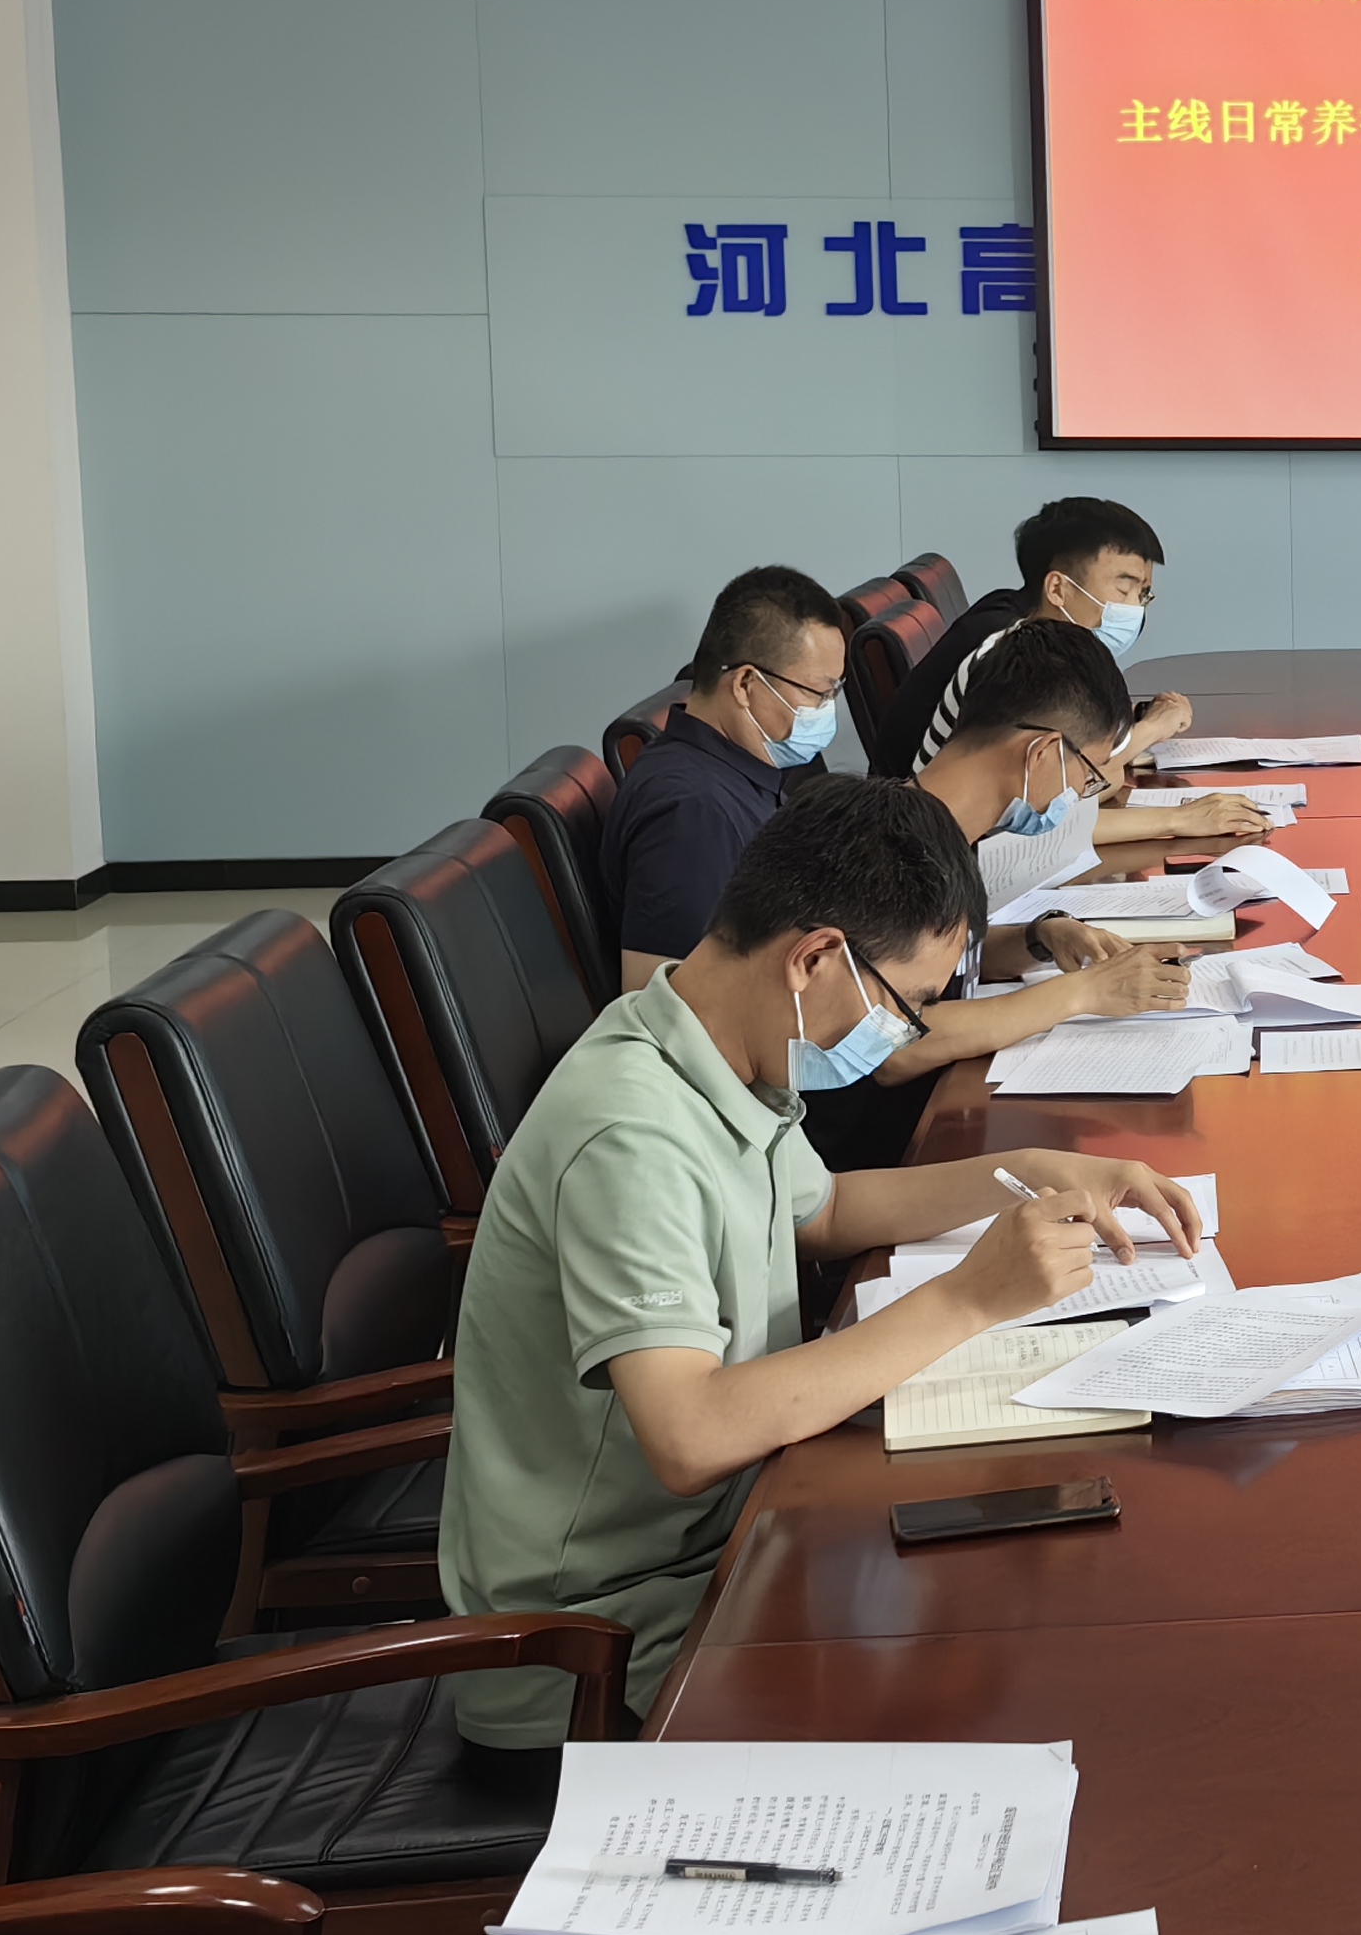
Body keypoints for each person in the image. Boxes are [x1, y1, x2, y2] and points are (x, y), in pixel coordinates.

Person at [442, 778, 1197, 1743]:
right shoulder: (629, 1133)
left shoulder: (711, 1046)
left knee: (1024, 1596)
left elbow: (826, 1207)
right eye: (905, 1006)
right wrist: (971, 1298)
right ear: (814, 959)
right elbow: (689, 1435)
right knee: (1023, 1673)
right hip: (601, 1641)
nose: (902, 1034)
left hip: (735, 1535)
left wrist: (1027, 1170)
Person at [798, 620, 1199, 1170]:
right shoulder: (885, 854)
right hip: (879, 1161)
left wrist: (1040, 937)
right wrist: (1083, 993)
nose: (1080, 795)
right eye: (1087, 775)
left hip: (946, 1116)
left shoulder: (948, 832)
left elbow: (939, 968)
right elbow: (891, 1047)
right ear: (1042, 753)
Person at [604, 564, 853, 990]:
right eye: (818, 692)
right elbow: (665, 1005)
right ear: (745, 685)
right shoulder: (692, 815)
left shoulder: (747, 773)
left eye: (835, 691)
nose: (826, 709)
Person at [901, 498, 1229, 810]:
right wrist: (1152, 734)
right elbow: (1071, 795)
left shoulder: (1058, 651)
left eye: (1142, 594)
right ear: (1058, 588)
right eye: (1123, 590)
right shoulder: (1018, 658)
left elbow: (1092, 778)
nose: (1133, 608)